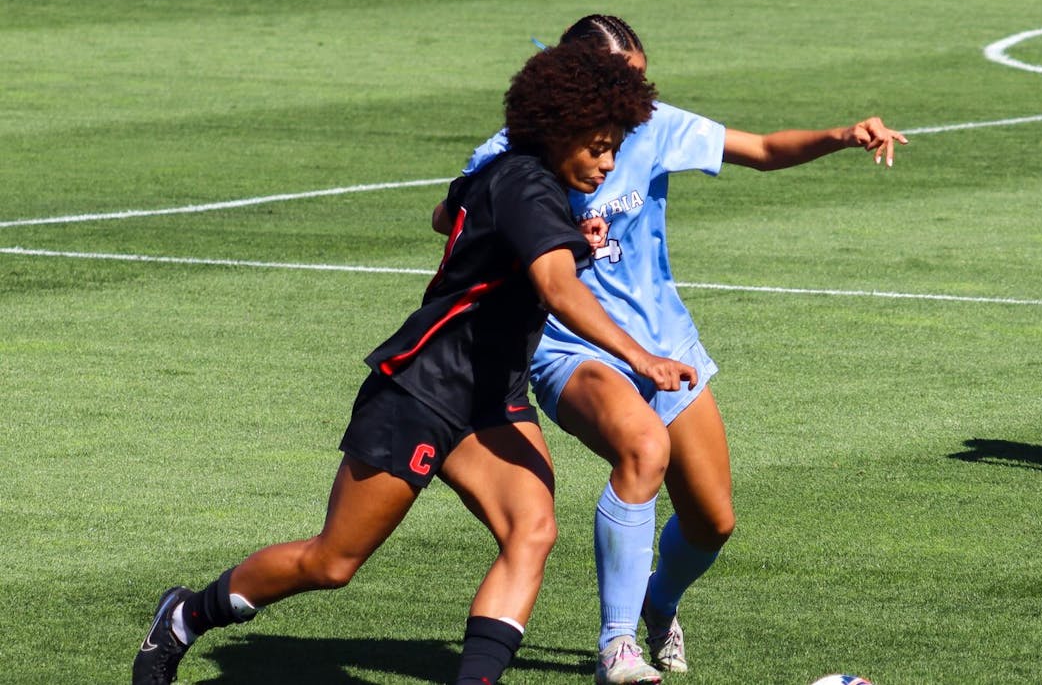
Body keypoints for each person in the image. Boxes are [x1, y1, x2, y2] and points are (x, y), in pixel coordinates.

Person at [132, 43, 699, 685]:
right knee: (333, 562)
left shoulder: (510, 175)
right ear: (558, 128)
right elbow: (559, 289)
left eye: (615, 148)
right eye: (597, 146)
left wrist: (545, 235)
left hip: (492, 397)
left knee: (532, 531)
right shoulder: (525, 185)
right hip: (422, 390)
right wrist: (640, 357)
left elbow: (446, 213)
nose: (608, 163)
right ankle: (185, 616)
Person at [435, 14, 905, 685]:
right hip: (573, 350)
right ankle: (617, 646)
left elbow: (766, 149)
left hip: (668, 345)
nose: (639, 96)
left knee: (713, 521)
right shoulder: (517, 151)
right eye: (625, 82)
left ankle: (659, 603)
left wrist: (841, 135)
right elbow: (450, 221)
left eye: (643, 81)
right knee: (641, 449)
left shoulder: (654, 126)